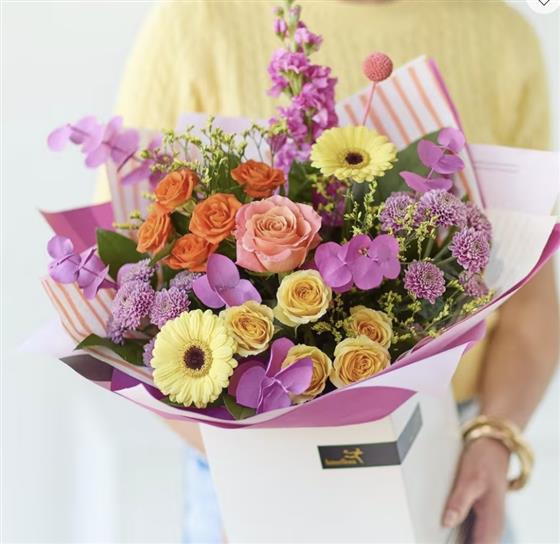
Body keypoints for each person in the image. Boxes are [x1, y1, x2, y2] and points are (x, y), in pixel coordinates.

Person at [103, 1, 559, 542]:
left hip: (449, 464)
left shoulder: (503, 38)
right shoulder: (197, 22)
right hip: (250, 474)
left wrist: (496, 437)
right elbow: (124, 289)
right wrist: (265, 464)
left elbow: (532, 301)